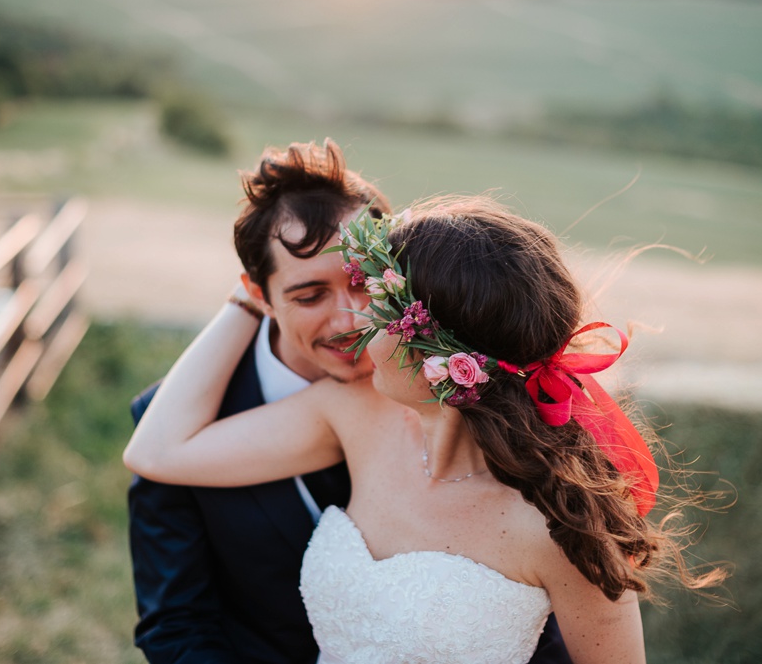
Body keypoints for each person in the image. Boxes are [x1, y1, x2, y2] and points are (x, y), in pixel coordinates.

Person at [127, 141, 572, 664]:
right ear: (259, 293)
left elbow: (537, 615)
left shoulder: (460, 393)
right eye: (309, 295)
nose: (351, 320)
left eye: (364, 285)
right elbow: (177, 626)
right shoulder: (175, 423)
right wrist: (238, 308)